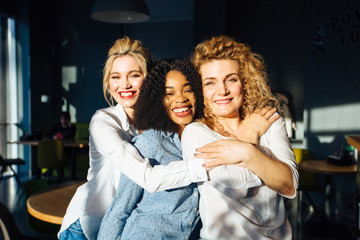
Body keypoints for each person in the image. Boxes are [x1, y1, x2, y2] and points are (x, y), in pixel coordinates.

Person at [59, 37, 210, 240]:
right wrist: (208, 163)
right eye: (116, 77)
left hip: (121, 224)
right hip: (88, 224)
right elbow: (147, 178)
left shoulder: (160, 124)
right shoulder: (103, 121)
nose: (124, 85)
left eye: (134, 75)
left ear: (150, 80)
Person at [179, 35, 299, 239]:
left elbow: (289, 184)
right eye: (210, 83)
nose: (222, 91)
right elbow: (237, 185)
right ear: (200, 89)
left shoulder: (268, 119)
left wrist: (243, 154)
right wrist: (250, 140)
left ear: (245, 82)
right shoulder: (196, 133)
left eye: (231, 80)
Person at [97, 58, 204, 239]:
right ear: (157, 100)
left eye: (188, 90)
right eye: (169, 93)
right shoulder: (150, 141)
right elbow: (121, 208)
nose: (180, 98)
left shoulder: (203, 138)